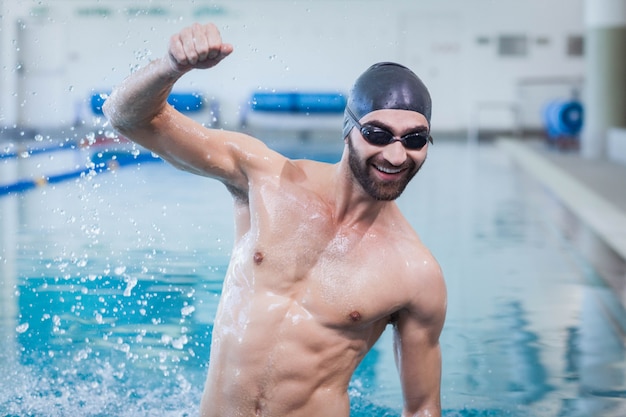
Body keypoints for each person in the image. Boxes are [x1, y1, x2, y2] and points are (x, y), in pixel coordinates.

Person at [104, 22, 447, 417]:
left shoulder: (416, 274)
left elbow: (422, 408)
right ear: (348, 129)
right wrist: (170, 66)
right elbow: (127, 118)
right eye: (377, 133)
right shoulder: (266, 180)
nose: (396, 156)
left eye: (415, 139)